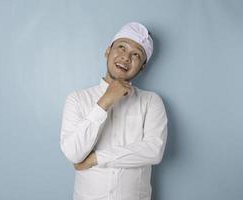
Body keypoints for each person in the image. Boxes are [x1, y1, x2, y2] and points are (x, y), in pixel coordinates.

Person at [60, 22, 168, 200]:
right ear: (107, 51)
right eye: (121, 47)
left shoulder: (151, 101)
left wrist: (96, 158)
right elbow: (73, 153)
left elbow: (153, 151)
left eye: (136, 55)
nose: (126, 57)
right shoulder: (77, 98)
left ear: (142, 67)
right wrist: (105, 101)